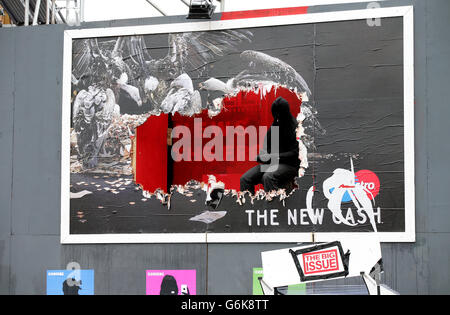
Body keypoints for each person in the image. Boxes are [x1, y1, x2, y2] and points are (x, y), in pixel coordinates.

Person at [240, 97, 299, 194]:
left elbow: (296, 153)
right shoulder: (275, 125)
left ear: (285, 113)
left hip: (290, 166)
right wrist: (262, 156)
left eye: (279, 115)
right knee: (245, 179)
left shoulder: (295, 127)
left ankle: (273, 206)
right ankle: (249, 207)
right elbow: (266, 148)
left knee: (268, 176)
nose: (277, 118)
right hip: (273, 164)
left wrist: (273, 157)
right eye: (275, 115)